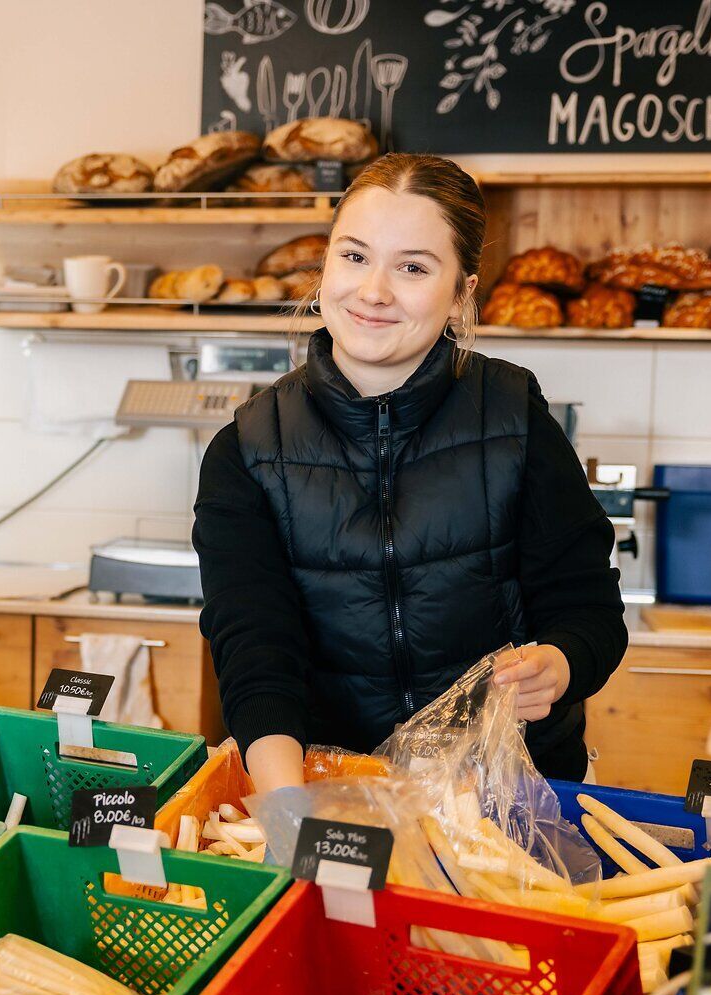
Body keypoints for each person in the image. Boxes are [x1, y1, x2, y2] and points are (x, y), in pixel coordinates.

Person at [194, 153, 626, 791]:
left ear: (462, 292)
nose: (373, 291)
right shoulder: (249, 450)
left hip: (512, 803)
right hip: (339, 793)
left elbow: (589, 609)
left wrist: (558, 665)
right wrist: (289, 812)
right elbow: (257, 651)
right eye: (354, 256)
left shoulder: (515, 419)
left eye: (414, 268)